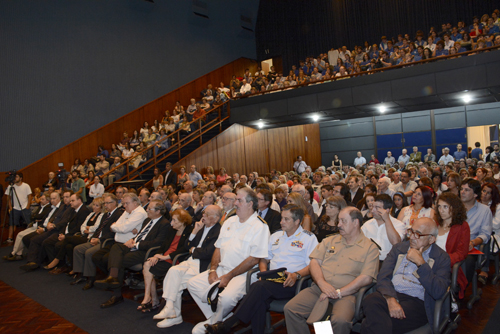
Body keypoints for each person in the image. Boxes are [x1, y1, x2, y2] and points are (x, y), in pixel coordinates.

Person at [205, 205, 319, 334]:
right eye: (281, 218)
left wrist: (296, 275)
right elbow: (264, 259)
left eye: (286, 219)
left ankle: (226, 326)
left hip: (294, 281)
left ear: (297, 221)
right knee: (260, 299)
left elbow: (312, 265)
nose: (282, 222)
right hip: (273, 278)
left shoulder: (308, 238)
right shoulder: (275, 236)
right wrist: (263, 271)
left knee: (259, 288)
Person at [186, 188, 270, 334]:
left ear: (250, 204)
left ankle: (215, 324)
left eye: (239, 200)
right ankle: (217, 319)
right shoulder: (230, 221)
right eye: (236, 199)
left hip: (244, 275)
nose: (235, 203)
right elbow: (218, 247)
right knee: (192, 284)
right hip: (222, 269)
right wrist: (212, 269)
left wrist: (229, 276)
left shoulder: (260, 226)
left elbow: (254, 259)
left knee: (225, 298)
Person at [284, 207, 380, 334]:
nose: (339, 225)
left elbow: (366, 277)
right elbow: (314, 262)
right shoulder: (330, 240)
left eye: (343, 221)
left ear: (356, 222)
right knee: (291, 309)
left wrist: (338, 292)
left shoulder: (370, 248)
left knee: (340, 321)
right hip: (318, 289)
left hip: (347, 295)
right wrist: (321, 283)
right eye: (338, 221)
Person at [360, 218, 451, 334]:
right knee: (370, 299)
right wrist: (391, 299)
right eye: (411, 231)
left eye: (418, 234)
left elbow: (438, 291)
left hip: (417, 302)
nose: (412, 237)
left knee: (373, 322)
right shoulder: (399, 248)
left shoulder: (441, 258)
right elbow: (383, 276)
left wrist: (421, 263)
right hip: (392, 293)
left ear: (431, 239)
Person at [154, 205, 222, 327]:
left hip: (202, 264)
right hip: (191, 260)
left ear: (216, 218)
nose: (203, 216)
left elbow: (208, 253)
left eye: (206, 214)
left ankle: (174, 315)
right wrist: (194, 232)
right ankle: (170, 307)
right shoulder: (201, 227)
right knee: (173, 271)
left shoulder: (218, 231)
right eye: (203, 213)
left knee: (177, 284)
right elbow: (187, 245)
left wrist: (193, 250)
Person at [94, 199, 169, 308]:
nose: (146, 209)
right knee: (116, 247)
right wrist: (133, 239)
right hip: (134, 246)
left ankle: (116, 294)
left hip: (145, 251)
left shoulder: (164, 224)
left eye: (149, 208)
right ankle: (113, 277)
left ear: (158, 211)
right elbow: (141, 235)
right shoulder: (147, 220)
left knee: (119, 260)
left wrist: (136, 244)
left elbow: (157, 243)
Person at [138, 208, 193, 313]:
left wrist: (166, 257)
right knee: (148, 265)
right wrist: (157, 255)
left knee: (148, 268)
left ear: (183, 222)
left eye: (174, 220)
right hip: (164, 258)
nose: (171, 223)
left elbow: (185, 249)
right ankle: (150, 298)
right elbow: (163, 245)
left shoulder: (189, 231)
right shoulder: (172, 230)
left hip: (175, 260)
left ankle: (151, 299)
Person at [70, 193, 125, 290]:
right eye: (105, 203)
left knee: (89, 253)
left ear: (115, 203)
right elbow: (99, 228)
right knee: (77, 249)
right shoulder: (105, 215)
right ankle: (81, 275)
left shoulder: (119, 215)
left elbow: (113, 233)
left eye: (108, 203)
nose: (106, 205)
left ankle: (91, 279)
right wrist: (93, 238)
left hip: (107, 242)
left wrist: (99, 240)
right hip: (97, 239)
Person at [43, 197, 105, 273]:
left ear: (101, 207)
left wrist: (89, 230)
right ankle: (73, 268)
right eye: (94, 205)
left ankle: (57, 259)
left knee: (67, 239)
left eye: (97, 205)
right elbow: (82, 226)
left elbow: (96, 228)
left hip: (90, 238)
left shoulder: (102, 215)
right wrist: (86, 230)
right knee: (68, 246)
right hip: (83, 235)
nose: (94, 207)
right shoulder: (91, 214)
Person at [435, 192, 470, 299]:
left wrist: (442, 261)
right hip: (430, 262)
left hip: (447, 266)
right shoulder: (435, 223)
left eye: (445, 207)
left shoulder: (462, 226)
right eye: (439, 206)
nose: (441, 210)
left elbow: (461, 253)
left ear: (454, 208)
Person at [3, 192, 51, 261]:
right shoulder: (41, 206)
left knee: (22, 236)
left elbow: (39, 216)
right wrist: (35, 218)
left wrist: (35, 217)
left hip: (39, 227)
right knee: (20, 234)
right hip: (34, 225)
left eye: (43, 199)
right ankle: (18, 254)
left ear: (47, 201)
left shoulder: (48, 207)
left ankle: (14, 253)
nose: (40, 200)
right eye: (41, 199)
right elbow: (32, 216)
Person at [362, 194, 406, 261]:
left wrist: (387, 219)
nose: (372, 210)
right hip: (368, 260)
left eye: (377, 208)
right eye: (373, 207)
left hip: (388, 262)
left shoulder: (399, 224)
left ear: (387, 210)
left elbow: (396, 243)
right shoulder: (367, 224)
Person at [478, 183, 500, 284]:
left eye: (488, 193)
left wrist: (481, 222)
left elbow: (495, 225)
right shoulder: (475, 203)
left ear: (492, 195)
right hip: (476, 232)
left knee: (485, 238)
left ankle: (484, 270)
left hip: (494, 235)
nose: (485, 194)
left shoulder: (497, 207)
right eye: (484, 191)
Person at [4, 172, 32, 243]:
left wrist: (28, 206)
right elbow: (8, 197)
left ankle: (31, 235)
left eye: (16, 177)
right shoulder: (11, 186)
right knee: (12, 223)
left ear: (20, 178)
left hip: (25, 207)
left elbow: (29, 196)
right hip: (15, 208)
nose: (15, 178)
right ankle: (10, 238)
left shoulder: (26, 185)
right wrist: (10, 207)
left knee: (28, 222)